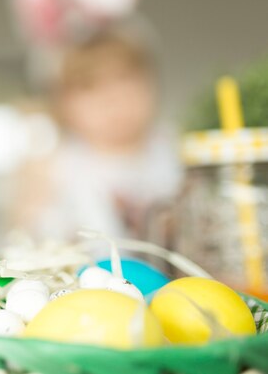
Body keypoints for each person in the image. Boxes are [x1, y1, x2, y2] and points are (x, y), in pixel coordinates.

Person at [13, 29, 182, 246]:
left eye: (125, 78)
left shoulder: (176, 149)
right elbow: (20, 242)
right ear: (61, 102)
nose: (112, 98)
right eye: (89, 86)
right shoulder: (51, 167)